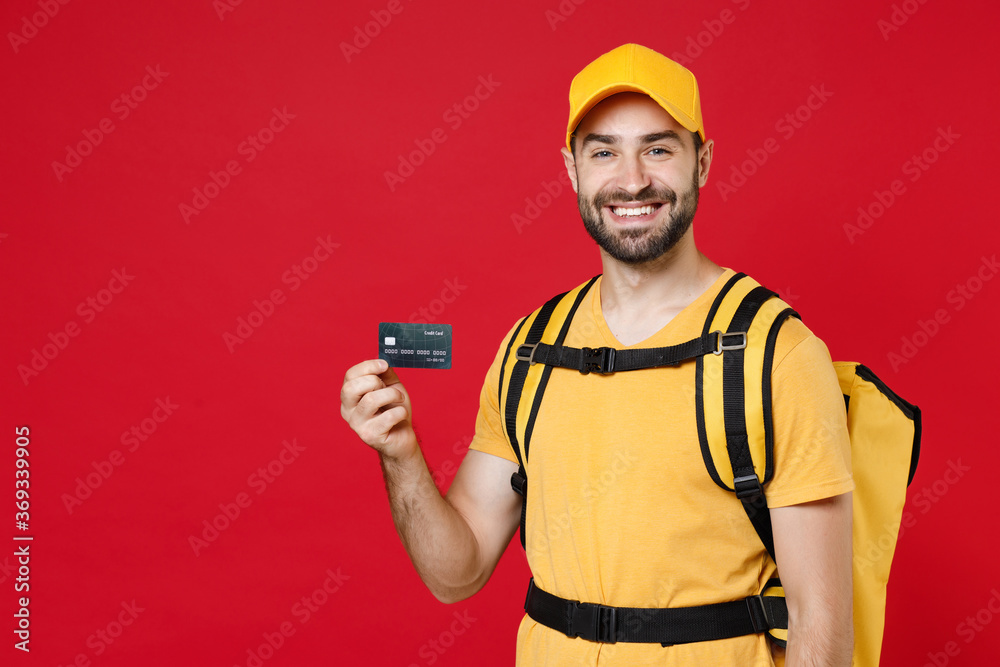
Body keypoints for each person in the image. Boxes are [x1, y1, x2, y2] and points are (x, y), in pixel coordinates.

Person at [341, 43, 854, 666]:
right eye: (604, 151)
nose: (632, 179)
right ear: (571, 168)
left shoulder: (779, 355)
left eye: (659, 149)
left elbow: (821, 631)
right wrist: (401, 455)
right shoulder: (532, 348)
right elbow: (458, 572)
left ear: (704, 162)